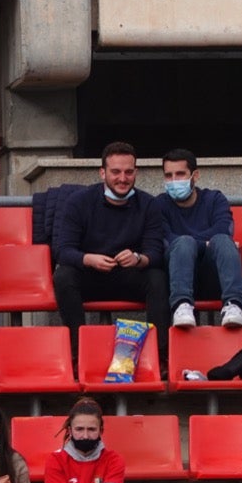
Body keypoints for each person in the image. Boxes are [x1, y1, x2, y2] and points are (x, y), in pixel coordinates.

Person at [52, 141, 171, 359]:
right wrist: (88, 259)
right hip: (90, 275)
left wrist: (138, 258)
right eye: (115, 172)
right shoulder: (79, 202)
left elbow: (155, 252)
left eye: (128, 172)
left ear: (136, 172)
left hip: (129, 276)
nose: (122, 179)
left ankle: (160, 357)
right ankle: (78, 356)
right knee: (63, 276)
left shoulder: (149, 204)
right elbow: (62, 250)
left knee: (158, 278)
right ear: (102, 172)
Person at [153, 147, 242, 331]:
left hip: (212, 275)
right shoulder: (159, 204)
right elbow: (165, 239)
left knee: (222, 241)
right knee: (183, 244)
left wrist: (194, 243)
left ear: (195, 175)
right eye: (168, 175)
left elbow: (223, 229)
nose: (173, 181)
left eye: (180, 174)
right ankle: (181, 306)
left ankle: (233, 305)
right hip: (175, 277)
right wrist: (203, 243)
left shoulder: (214, 199)